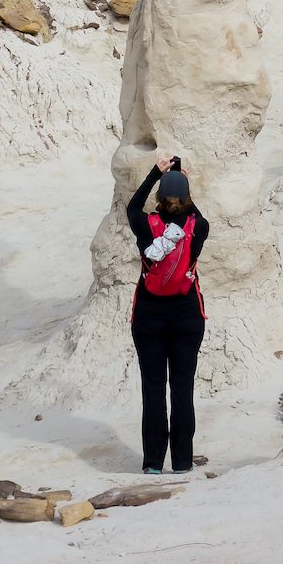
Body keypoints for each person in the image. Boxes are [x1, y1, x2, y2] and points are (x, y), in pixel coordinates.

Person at [126, 154, 209, 474]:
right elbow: (195, 217)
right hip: (188, 317)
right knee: (183, 389)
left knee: (153, 389)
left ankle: (152, 464)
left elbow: (132, 208)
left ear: (159, 199)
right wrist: (183, 184)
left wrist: (155, 174)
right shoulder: (197, 227)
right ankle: (183, 462)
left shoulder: (145, 224)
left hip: (149, 317)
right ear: (187, 199)